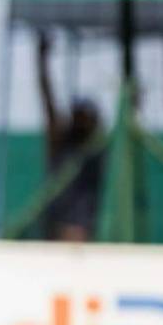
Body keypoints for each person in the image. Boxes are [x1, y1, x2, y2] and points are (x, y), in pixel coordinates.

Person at [36, 33, 103, 241]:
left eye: (84, 116)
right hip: (57, 224)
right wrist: (41, 61)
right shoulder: (61, 142)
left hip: (82, 225)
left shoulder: (97, 149)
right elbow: (48, 100)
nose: (80, 120)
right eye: (77, 115)